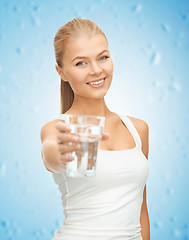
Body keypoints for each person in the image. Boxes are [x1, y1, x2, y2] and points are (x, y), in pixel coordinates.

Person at [40, 18, 150, 240]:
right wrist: (59, 156)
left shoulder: (137, 129)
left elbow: (141, 211)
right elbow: (50, 152)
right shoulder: (60, 129)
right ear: (61, 72)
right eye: (81, 63)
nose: (97, 70)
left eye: (103, 57)